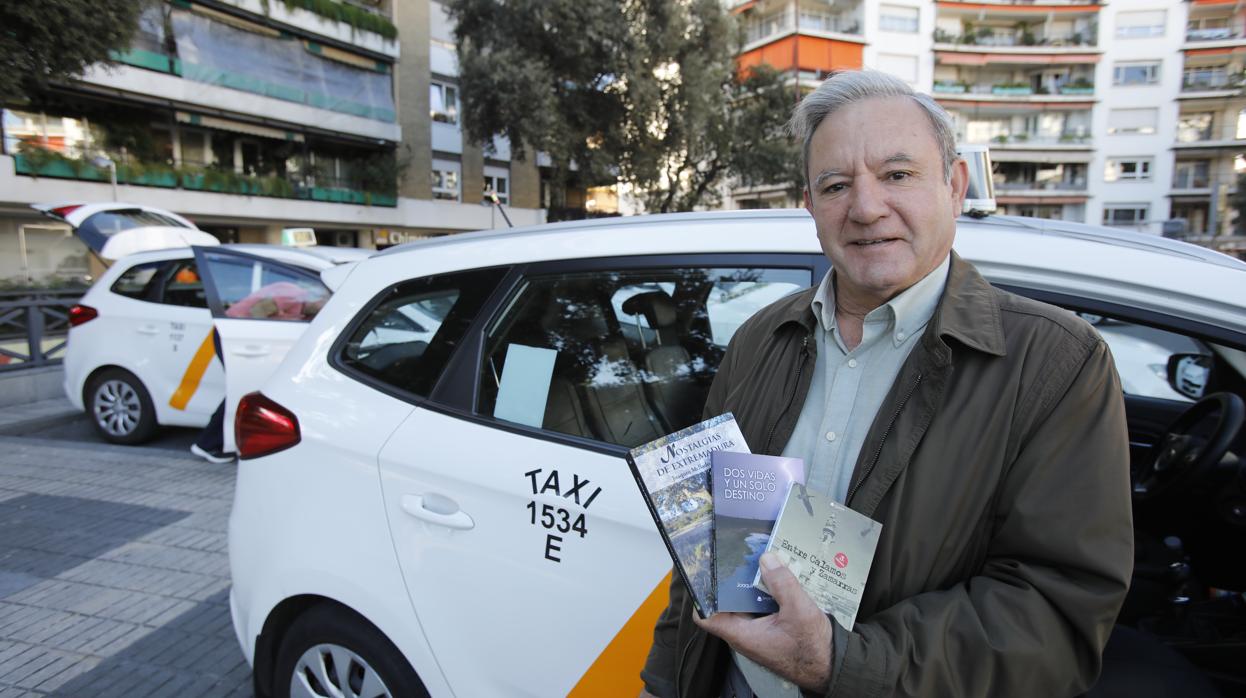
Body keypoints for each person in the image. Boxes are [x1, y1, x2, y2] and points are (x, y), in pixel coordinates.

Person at [639, 71, 1133, 697]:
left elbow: (1053, 614)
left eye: (898, 175)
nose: (867, 207)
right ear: (810, 205)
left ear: (955, 186)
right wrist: (663, 683)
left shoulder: (1056, 364)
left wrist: (838, 663)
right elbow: (708, 546)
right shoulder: (761, 339)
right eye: (837, 184)